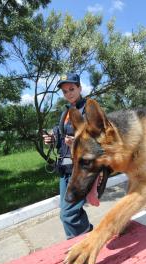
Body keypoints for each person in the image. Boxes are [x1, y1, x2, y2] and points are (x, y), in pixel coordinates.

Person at [42, 72, 93, 239]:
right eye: (65, 91)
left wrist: (77, 143)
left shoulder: (90, 110)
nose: (68, 93)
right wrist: (52, 139)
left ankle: (79, 245)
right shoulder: (65, 112)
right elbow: (60, 136)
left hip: (82, 169)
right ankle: (88, 238)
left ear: (80, 87)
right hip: (65, 169)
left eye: (71, 89)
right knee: (67, 212)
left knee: (68, 215)